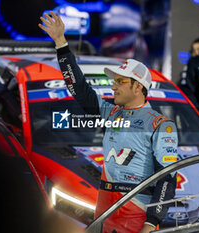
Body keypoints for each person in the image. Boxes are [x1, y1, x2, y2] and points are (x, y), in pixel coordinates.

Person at [39, 11, 178, 233]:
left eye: (120, 81)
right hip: (105, 215)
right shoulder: (111, 112)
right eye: (114, 81)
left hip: (136, 218)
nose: (113, 86)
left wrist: (151, 223)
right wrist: (61, 44)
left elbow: (168, 178)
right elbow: (79, 89)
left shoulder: (161, 125)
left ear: (138, 87)